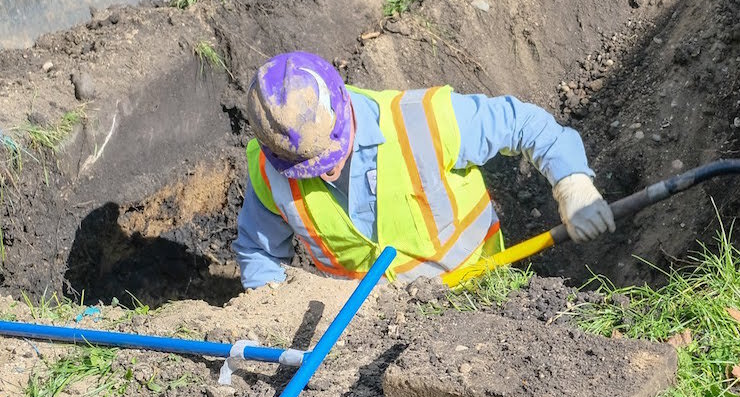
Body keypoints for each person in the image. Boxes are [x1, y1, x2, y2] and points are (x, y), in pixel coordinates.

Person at [233, 51, 613, 289]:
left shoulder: (423, 121)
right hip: (364, 334)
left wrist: (573, 185)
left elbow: (525, 124)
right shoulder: (269, 172)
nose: (327, 173)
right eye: (310, 169)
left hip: (481, 296)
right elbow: (258, 253)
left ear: (344, 107)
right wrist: (270, 311)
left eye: (333, 155)